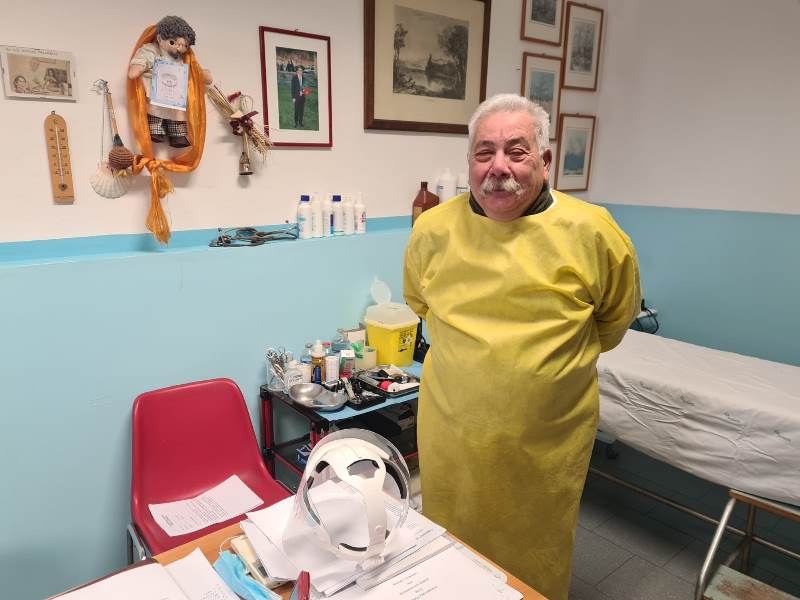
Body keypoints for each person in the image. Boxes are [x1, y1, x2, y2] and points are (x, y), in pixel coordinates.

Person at [403, 93, 641, 600]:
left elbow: (614, 321)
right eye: (484, 152)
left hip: (545, 441)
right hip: (452, 432)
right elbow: (420, 302)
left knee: (534, 557)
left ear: (545, 160)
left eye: (516, 151)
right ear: (469, 161)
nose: (498, 167)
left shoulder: (593, 231)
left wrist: (539, 371)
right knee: (451, 551)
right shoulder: (433, 229)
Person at [128, 15, 212, 148]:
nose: (179, 49)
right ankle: (156, 129)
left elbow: (193, 70)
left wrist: (202, 74)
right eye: (173, 43)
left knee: (177, 113)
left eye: (184, 46)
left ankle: (177, 134)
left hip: (176, 95)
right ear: (160, 39)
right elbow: (144, 57)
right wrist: (138, 66)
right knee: (155, 110)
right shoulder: (153, 50)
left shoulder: (183, 59)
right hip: (157, 92)